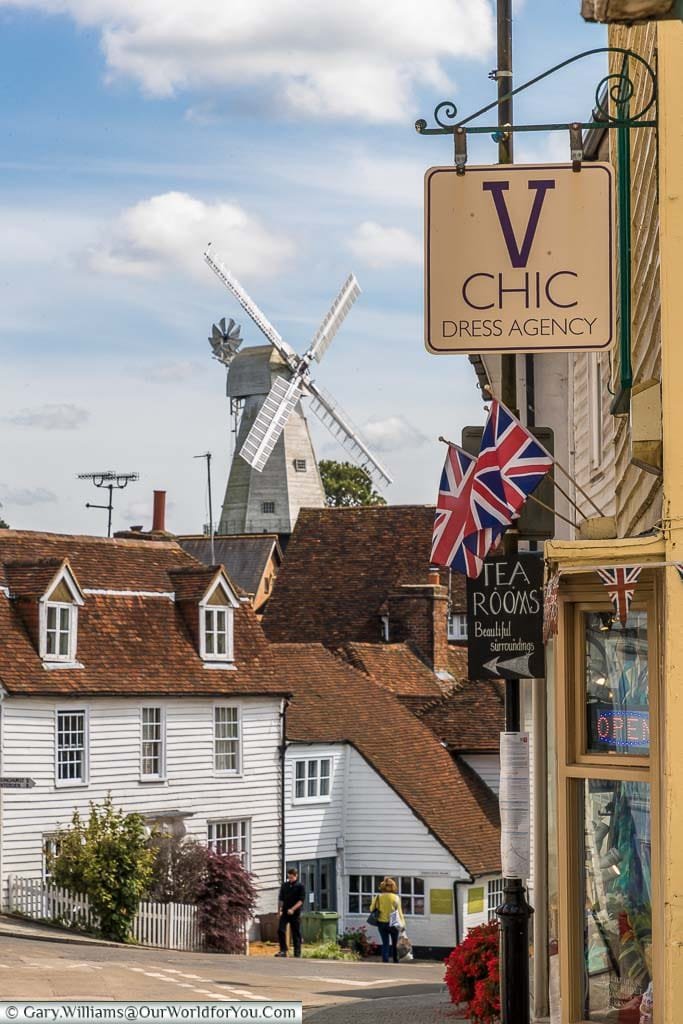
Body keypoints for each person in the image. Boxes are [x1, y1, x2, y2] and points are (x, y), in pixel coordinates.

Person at [370, 877, 405, 964]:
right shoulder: (396, 898)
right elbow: (399, 912)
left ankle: (385, 960)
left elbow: (371, 909)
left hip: (381, 923)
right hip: (393, 922)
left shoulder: (378, 897)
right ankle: (395, 960)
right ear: (393, 886)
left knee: (385, 942)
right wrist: (403, 924)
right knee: (394, 943)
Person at [275, 867, 305, 957]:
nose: (290, 879)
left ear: (296, 876)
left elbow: (301, 901)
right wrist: (279, 911)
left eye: (292, 877)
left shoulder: (300, 886)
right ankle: (283, 950)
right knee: (281, 930)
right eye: (289, 877)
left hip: (295, 913)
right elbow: (281, 899)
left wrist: (293, 909)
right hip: (285, 912)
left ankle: (297, 952)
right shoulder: (284, 885)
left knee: (296, 933)